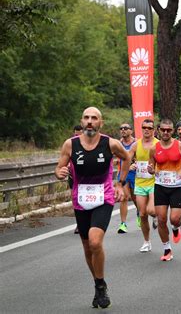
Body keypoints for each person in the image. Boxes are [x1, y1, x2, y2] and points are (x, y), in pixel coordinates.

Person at [55, 107, 130, 309]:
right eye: (86, 118)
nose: (90, 121)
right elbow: (59, 168)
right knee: (87, 246)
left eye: (94, 118)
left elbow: (127, 157)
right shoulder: (70, 145)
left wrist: (120, 183)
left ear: (100, 123)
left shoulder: (110, 143)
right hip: (80, 199)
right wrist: (60, 172)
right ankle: (99, 284)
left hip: (103, 197)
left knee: (96, 242)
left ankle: (100, 285)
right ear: (81, 121)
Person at [147, 119, 181, 261]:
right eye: (163, 130)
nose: (166, 132)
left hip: (177, 186)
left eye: (169, 130)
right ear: (158, 130)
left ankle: (175, 228)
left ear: (172, 131)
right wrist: (150, 169)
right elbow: (151, 165)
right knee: (161, 219)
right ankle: (167, 249)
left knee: (174, 219)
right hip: (160, 186)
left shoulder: (180, 146)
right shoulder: (154, 148)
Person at [128, 119, 158, 252]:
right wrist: (130, 165)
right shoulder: (135, 145)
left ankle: (156, 216)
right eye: (144, 127)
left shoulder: (158, 144)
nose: (146, 130)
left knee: (151, 210)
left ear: (154, 130)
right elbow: (126, 159)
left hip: (154, 181)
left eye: (149, 128)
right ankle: (147, 242)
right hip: (140, 182)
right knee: (143, 214)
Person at [117, 123, 138, 233]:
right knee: (124, 197)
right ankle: (123, 224)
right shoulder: (118, 144)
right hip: (122, 174)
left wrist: (135, 164)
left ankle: (139, 214)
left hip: (134, 174)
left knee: (135, 198)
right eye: (121, 128)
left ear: (131, 131)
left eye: (126, 128)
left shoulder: (136, 143)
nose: (123, 130)